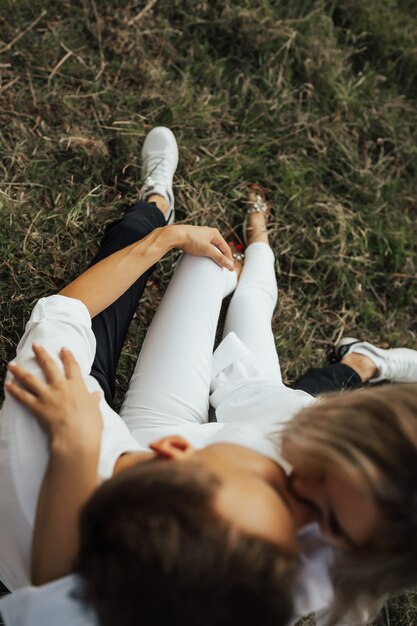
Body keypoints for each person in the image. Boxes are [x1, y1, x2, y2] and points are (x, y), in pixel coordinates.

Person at [1, 126, 417, 626]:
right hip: (162, 460)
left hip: (114, 448)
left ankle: (157, 207)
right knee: (227, 291)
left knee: (177, 276)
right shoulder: (261, 569)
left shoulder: (43, 423)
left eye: (325, 520)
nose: (296, 508)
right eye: (309, 483)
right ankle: (358, 362)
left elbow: (55, 601)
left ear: (180, 449)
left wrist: (164, 239)